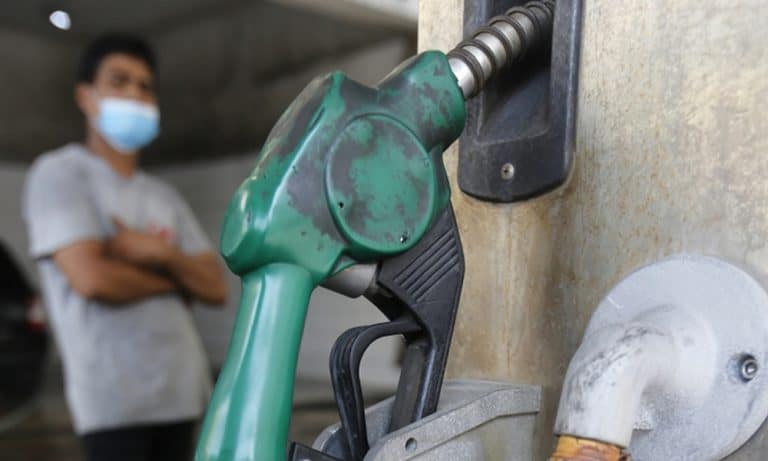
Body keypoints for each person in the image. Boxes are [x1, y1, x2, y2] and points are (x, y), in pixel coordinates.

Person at [22, 34, 228, 461]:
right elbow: (92, 279)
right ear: (86, 96)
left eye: (145, 86)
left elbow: (214, 286)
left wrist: (160, 253)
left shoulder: (164, 196)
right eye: (119, 81)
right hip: (115, 403)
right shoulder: (61, 174)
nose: (134, 93)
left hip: (181, 394)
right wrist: (176, 280)